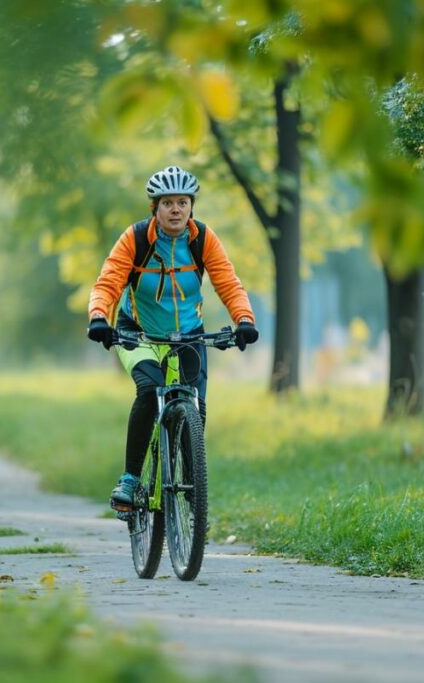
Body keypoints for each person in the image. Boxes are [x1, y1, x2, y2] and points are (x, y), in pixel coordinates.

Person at [86, 165, 259, 510]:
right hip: (140, 333)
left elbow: (227, 282)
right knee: (150, 391)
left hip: (188, 334)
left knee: (195, 405)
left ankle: (193, 490)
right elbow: (108, 282)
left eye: (183, 202)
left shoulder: (203, 239)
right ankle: (131, 479)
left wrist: (244, 319)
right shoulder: (135, 239)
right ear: (155, 208)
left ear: (191, 207)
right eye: (168, 203)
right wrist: (99, 317)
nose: (176, 209)